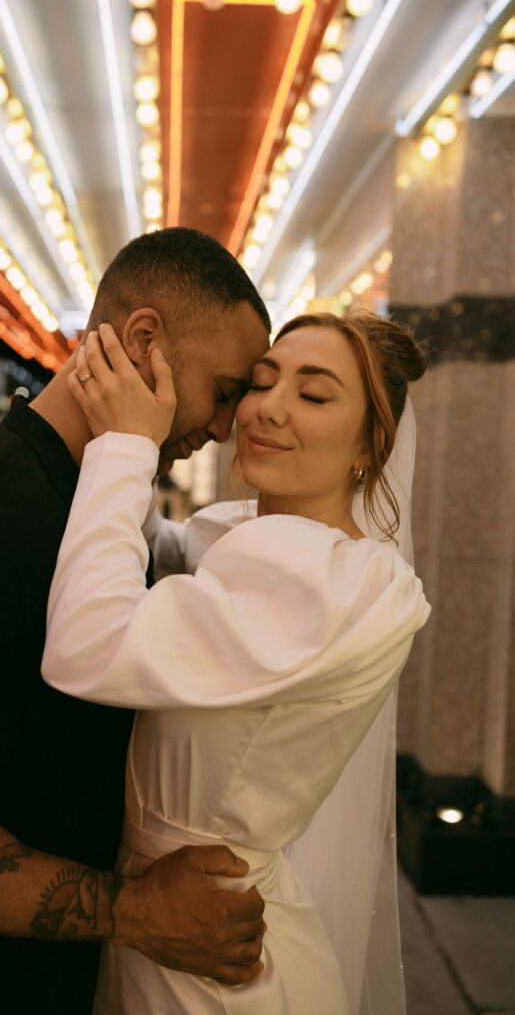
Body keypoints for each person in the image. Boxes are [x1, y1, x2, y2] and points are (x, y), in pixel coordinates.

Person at [0, 228, 271, 1010]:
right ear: (143, 342)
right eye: (227, 390)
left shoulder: (87, 507)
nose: (226, 426)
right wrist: (135, 911)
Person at [41, 310, 432, 1014]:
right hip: (175, 914)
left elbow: (87, 646)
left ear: (370, 447)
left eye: (313, 396)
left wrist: (128, 443)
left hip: (210, 949)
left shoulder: (324, 584)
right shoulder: (259, 539)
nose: (268, 408)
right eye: (259, 381)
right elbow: (175, 550)